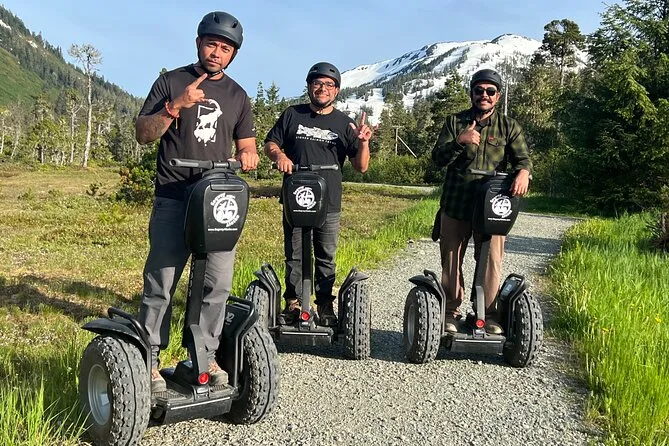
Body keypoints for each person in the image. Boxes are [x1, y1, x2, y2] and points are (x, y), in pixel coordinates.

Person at [135, 11, 259, 393]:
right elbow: (143, 133)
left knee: (216, 285)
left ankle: (202, 358)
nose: (216, 53)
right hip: (174, 196)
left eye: (225, 48)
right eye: (211, 44)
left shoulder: (238, 96)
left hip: (217, 202)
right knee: (161, 282)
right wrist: (175, 106)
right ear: (198, 43)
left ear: (233, 54)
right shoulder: (171, 82)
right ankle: (149, 361)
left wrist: (249, 155)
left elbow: (247, 145)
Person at [264, 62, 373, 325]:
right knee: (295, 253)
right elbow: (270, 143)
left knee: (325, 255)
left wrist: (363, 143)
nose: (322, 88)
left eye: (329, 85)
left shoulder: (345, 124)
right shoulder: (292, 114)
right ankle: (293, 302)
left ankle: (324, 305)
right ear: (309, 86)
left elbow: (361, 167)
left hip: (329, 201)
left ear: (337, 90)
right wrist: (279, 156)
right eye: (317, 83)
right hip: (296, 198)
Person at [431, 68, 531, 335]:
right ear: (472, 93)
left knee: (491, 259)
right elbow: (437, 159)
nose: (484, 95)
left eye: (490, 91)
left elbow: (523, 159)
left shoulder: (509, 126)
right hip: (456, 202)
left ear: (498, 96)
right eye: (479, 90)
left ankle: (487, 314)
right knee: (451, 258)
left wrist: (524, 172)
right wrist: (459, 142)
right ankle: (450, 311)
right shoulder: (455, 122)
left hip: (493, 205)